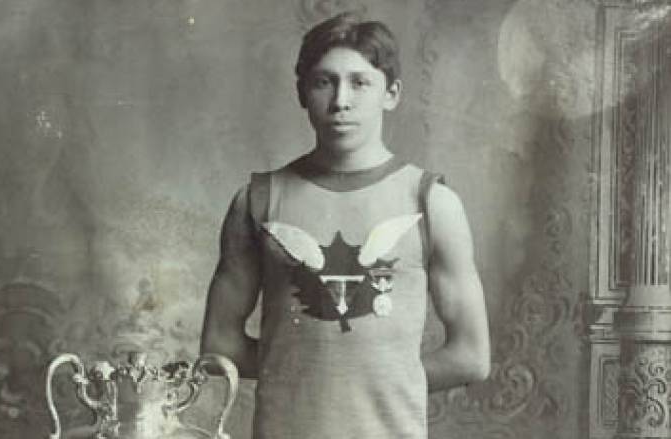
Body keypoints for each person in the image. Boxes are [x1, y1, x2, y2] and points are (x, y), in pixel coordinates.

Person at [200, 11, 490, 439]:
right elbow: (219, 346)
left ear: (391, 94)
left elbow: (471, 356)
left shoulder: (432, 203)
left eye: (360, 82)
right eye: (324, 81)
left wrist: (372, 379)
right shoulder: (257, 200)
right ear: (302, 93)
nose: (340, 101)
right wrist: (306, 374)